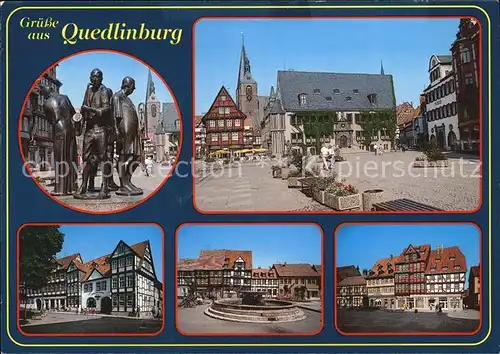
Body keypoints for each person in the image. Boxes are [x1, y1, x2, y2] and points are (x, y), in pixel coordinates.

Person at [74, 68, 112, 199]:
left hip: (101, 129)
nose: (93, 79)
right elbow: (83, 107)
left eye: (96, 77)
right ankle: (83, 186)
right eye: (92, 77)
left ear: (101, 78)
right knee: (86, 158)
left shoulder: (103, 91)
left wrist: (90, 109)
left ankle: (105, 187)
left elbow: (106, 109)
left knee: (103, 158)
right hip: (89, 129)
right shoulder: (88, 90)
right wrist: (80, 123)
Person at [40, 85, 78, 196]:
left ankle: (60, 189)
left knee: (60, 158)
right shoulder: (65, 97)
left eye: (43, 93)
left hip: (59, 130)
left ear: (48, 92)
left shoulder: (47, 103)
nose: (44, 95)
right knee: (71, 158)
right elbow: (73, 113)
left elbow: (52, 119)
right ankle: (72, 187)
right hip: (70, 128)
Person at [112, 76, 144, 196]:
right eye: (133, 87)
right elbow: (115, 117)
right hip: (124, 132)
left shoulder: (128, 99)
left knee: (137, 157)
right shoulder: (117, 97)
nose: (133, 90)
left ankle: (127, 181)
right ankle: (123, 184)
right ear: (128, 86)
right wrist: (117, 132)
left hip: (133, 132)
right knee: (123, 157)